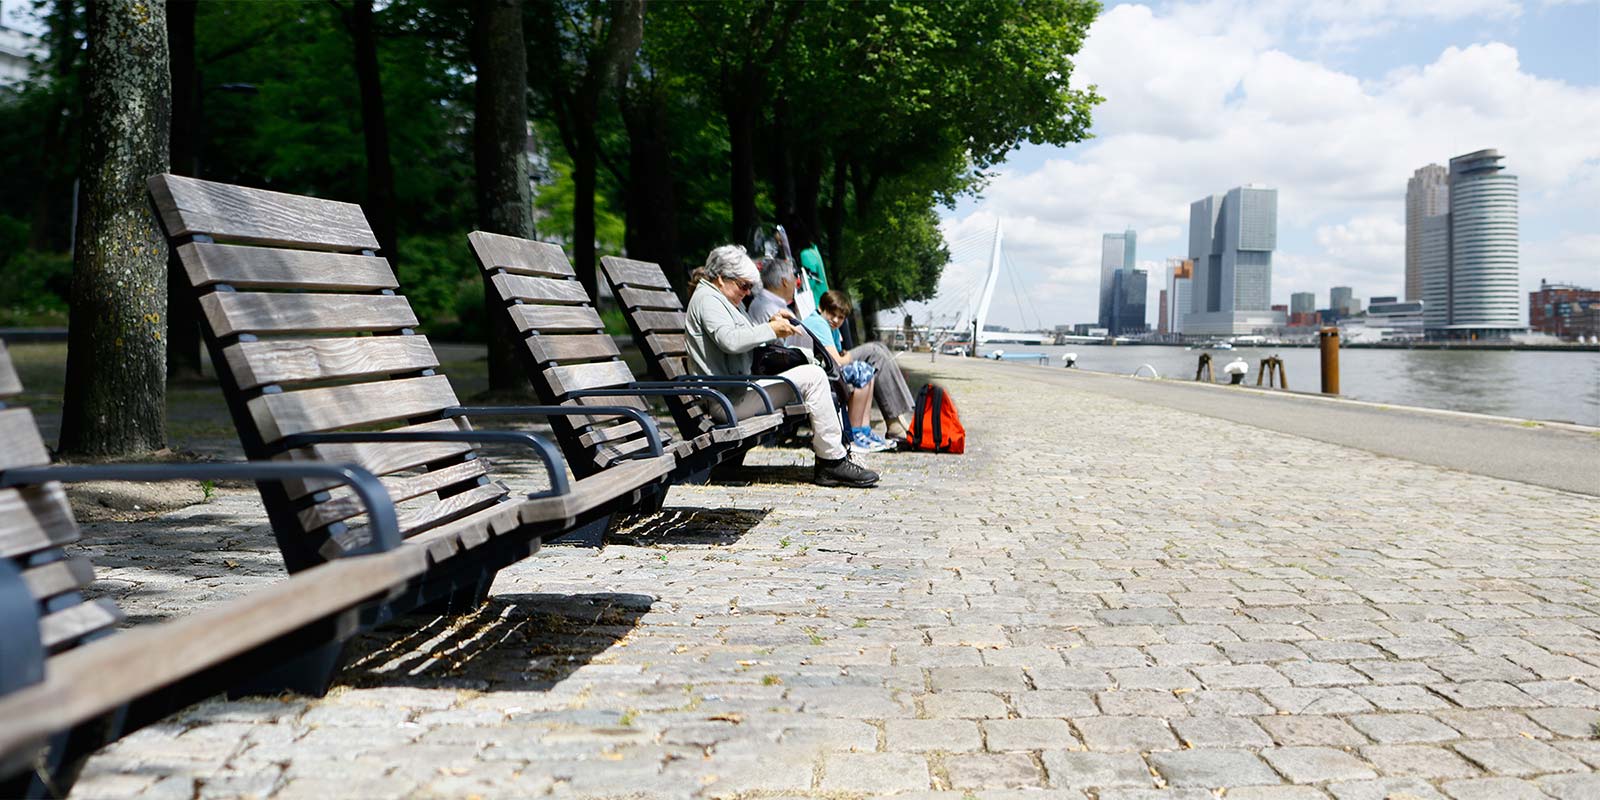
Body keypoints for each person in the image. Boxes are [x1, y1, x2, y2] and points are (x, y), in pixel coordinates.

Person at [686, 245, 880, 488]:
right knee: (814, 376)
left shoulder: (721, 298)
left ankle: (834, 458)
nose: (747, 292)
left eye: (750, 287)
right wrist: (771, 330)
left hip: (735, 391)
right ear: (722, 278)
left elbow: (741, 335)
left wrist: (770, 323)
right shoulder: (709, 300)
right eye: (743, 286)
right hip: (726, 401)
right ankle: (832, 462)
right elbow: (730, 340)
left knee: (814, 373)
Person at [801, 290, 917, 447]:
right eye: (832, 314)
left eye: (840, 317)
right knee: (875, 351)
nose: (835, 320)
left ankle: (873, 427)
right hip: (823, 373)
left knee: (875, 357)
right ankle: (892, 423)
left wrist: (845, 355)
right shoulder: (819, 323)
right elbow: (837, 361)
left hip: (825, 370)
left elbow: (836, 353)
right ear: (821, 308)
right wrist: (847, 357)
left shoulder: (827, 325)